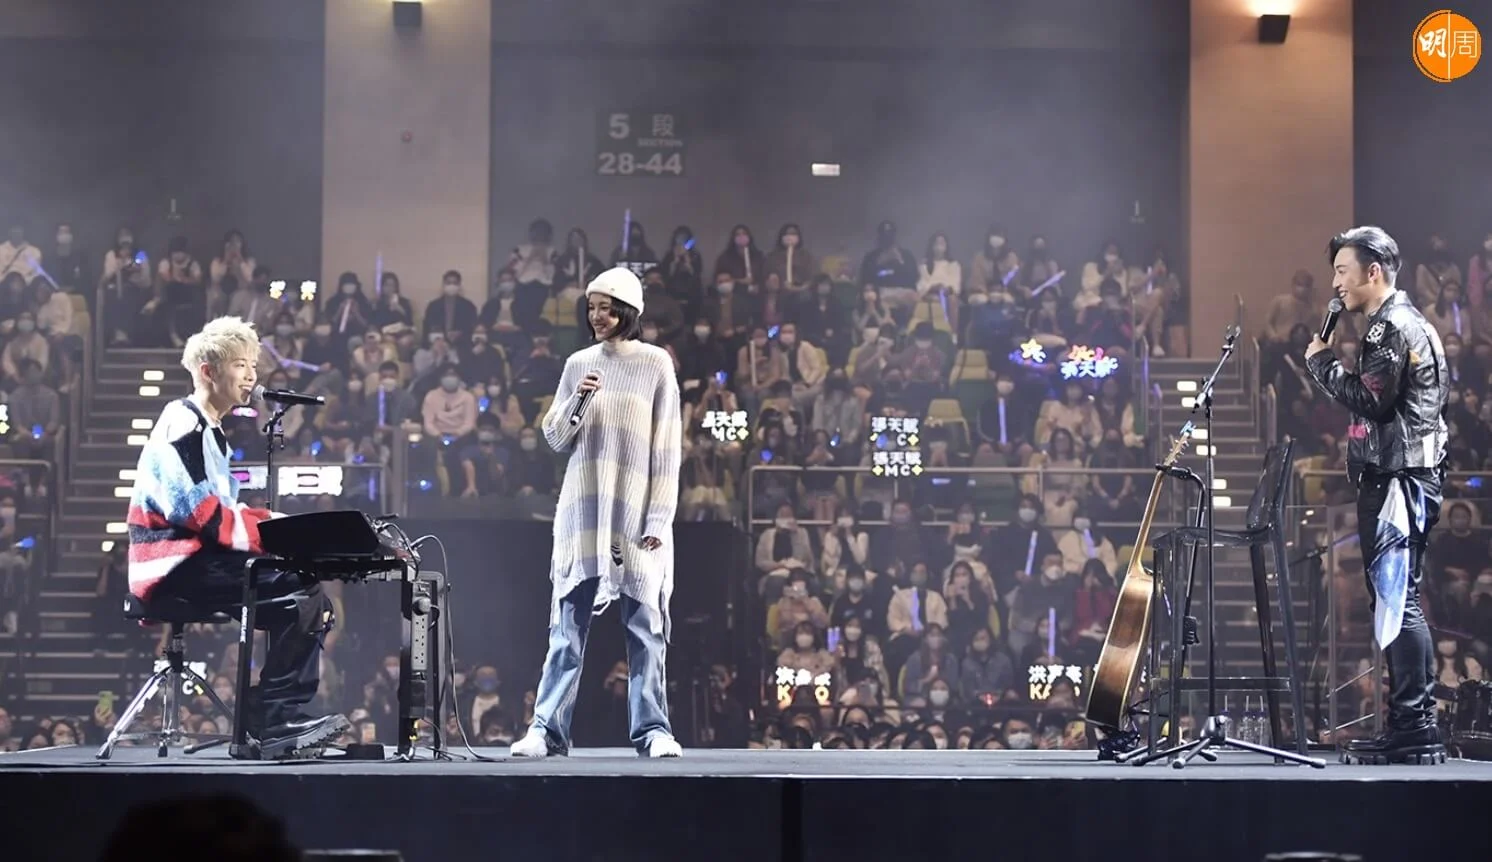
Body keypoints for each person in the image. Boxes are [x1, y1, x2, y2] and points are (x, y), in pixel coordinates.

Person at [124, 316, 346, 759]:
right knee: (302, 592)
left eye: (253, 366)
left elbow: (221, 515)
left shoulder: (211, 433)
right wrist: (273, 532)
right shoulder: (182, 422)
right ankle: (272, 719)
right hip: (173, 564)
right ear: (209, 370)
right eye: (241, 365)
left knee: (308, 600)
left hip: (197, 558)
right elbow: (200, 514)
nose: (251, 376)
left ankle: (265, 717)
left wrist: (277, 525)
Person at [510, 267, 684, 758]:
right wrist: (580, 399)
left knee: (644, 626)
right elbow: (555, 438)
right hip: (583, 511)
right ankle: (546, 729)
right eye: (592, 308)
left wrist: (658, 518)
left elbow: (667, 448)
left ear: (627, 311)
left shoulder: (655, 364)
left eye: (607, 308)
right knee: (566, 627)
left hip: (635, 514)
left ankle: (653, 730)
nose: (597, 317)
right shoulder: (579, 364)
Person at [1305, 226, 1448, 765]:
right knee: (1396, 600)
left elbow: (1373, 403)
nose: (1335, 284)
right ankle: (1412, 723)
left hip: (1396, 480)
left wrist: (1322, 362)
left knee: (1396, 602)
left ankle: (1414, 726)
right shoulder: (1410, 324)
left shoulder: (1391, 328)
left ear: (1373, 271)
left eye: (1342, 271)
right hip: (1407, 476)